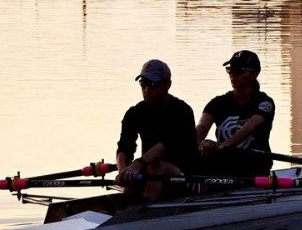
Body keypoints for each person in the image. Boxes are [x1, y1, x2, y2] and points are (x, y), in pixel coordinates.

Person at [115, 59, 197, 199]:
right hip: (149, 171)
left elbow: (166, 145)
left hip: (184, 177)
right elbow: (124, 147)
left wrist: (138, 164)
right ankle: (125, 209)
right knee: (135, 174)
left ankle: (143, 213)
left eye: (152, 85)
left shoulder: (182, 111)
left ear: (167, 85)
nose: (146, 90)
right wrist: (123, 171)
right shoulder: (134, 113)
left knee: (155, 166)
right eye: (143, 84)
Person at [197, 50, 276, 177]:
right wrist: (196, 145)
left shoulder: (264, 103)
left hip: (254, 169)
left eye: (239, 71)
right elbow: (202, 127)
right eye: (230, 70)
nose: (233, 74)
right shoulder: (217, 103)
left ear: (253, 74)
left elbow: (249, 127)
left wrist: (221, 147)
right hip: (223, 168)